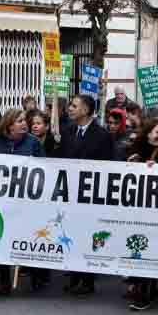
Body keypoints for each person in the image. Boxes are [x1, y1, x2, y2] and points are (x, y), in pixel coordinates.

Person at [0, 109, 46, 295]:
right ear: (9, 125)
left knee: (30, 238)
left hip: (27, 202)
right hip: (3, 201)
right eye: (19, 121)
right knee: (1, 238)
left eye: (24, 120)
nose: (24, 124)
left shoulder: (33, 143)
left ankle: (37, 276)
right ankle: (3, 281)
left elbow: (45, 168)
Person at [55, 95, 113, 296]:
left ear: (86, 110)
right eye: (70, 105)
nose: (69, 108)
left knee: (88, 236)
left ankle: (87, 279)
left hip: (91, 195)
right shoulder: (68, 131)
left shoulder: (102, 135)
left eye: (74, 105)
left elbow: (108, 166)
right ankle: (73, 276)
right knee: (70, 235)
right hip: (70, 194)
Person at [125, 118, 158, 311]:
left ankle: (146, 289)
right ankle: (141, 285)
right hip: (138, 209)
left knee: (152, 247)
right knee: (138, 247)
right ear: (148, 133)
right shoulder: (134, 152)